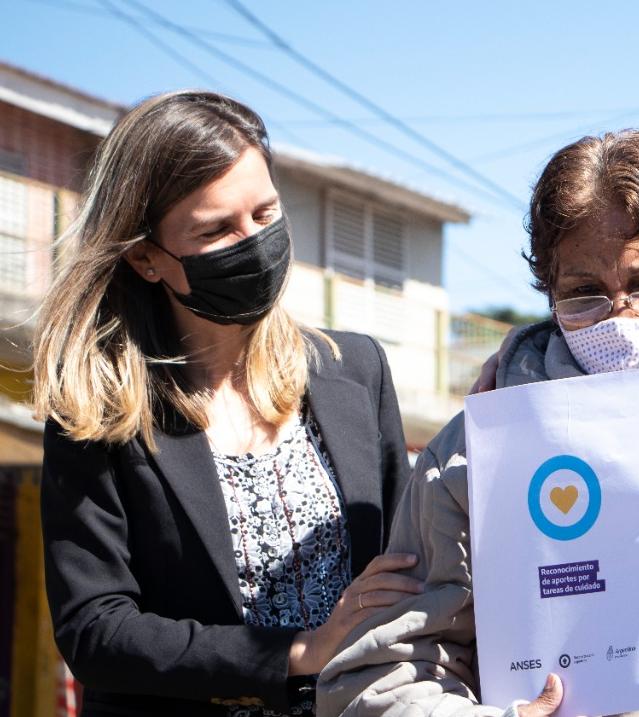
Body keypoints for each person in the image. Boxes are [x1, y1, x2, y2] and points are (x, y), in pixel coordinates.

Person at [315, 129, 639, 717]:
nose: (622, 317)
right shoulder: (471, 456)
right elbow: (383, 673)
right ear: (549, 292)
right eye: (585, 293)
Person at [33, 90, 420, 717]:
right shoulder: (101, 412)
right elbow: (96, 630)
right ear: (146, 258)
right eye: (216, 230)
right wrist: (299, 654)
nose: (254, 242)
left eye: (266, 215)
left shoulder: (356, 370)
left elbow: (409, 567)